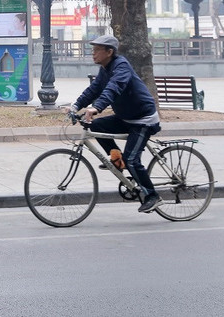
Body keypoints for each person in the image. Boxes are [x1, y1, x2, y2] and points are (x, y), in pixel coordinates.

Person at [69, 35, 164, 213]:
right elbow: (94, 89)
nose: (93, 53)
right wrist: (75, 106)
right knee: (96, 126)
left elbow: (114, 88)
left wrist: (96, 107)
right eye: (93, 49)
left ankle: (152, 195)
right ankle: (117, 160)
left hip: (143, 120)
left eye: (97, 50)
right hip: (125, 118)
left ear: (109, 52)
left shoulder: (122, 67)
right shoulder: (105, 69)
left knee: (132, 159)